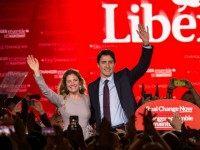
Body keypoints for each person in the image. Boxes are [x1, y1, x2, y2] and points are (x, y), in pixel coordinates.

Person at [88, 24, 153, 130]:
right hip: (103, 134)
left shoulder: (124, 78)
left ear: (114, 64)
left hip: (125, 130)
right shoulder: (92, 87)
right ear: (98, 65)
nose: (107, 65)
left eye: (110, 62)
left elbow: (142, 66)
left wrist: (146, 44)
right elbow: (93, 113)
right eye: (104, 62)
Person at [27, 56, 92, 139]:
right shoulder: (61, 100)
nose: (72, 83)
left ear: (80, 82)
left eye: (75, 80)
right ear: (66, 85)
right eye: (69, 81)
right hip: (69, 140)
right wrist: (36, 72)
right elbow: (46, 91)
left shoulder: (87, 99)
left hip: (87, 140)